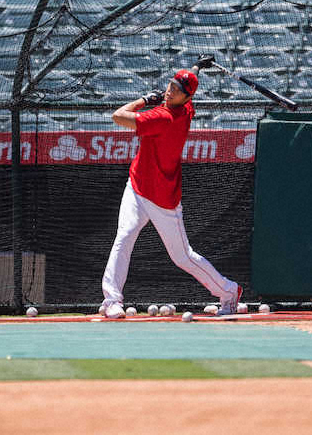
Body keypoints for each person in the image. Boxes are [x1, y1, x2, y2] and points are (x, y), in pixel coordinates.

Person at [99, 55, 242, 319]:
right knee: (124, 236)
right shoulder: (187, 106)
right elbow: (187, 80)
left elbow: (118, 116)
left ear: (185, 98)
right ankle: (112, 300)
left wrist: (144, 100)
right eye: (170, 85)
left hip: (162, 198)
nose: (169, 91)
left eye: (176, 90)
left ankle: (229, 291)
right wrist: (198, 67)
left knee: (182, 257)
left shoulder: (164, 117)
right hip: (137, 184)